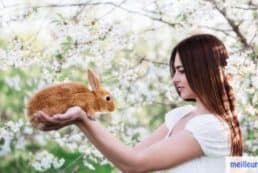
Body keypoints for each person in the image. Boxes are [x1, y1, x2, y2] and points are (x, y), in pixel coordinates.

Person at [35, 34, 243, 173]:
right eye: (174, 71)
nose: (175, 79)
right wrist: (81, 119)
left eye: (182, 71)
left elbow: (135, 165)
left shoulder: (213, 127)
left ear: (204, 70)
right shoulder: (181, 115)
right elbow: (132, 155)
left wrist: (83, 120)